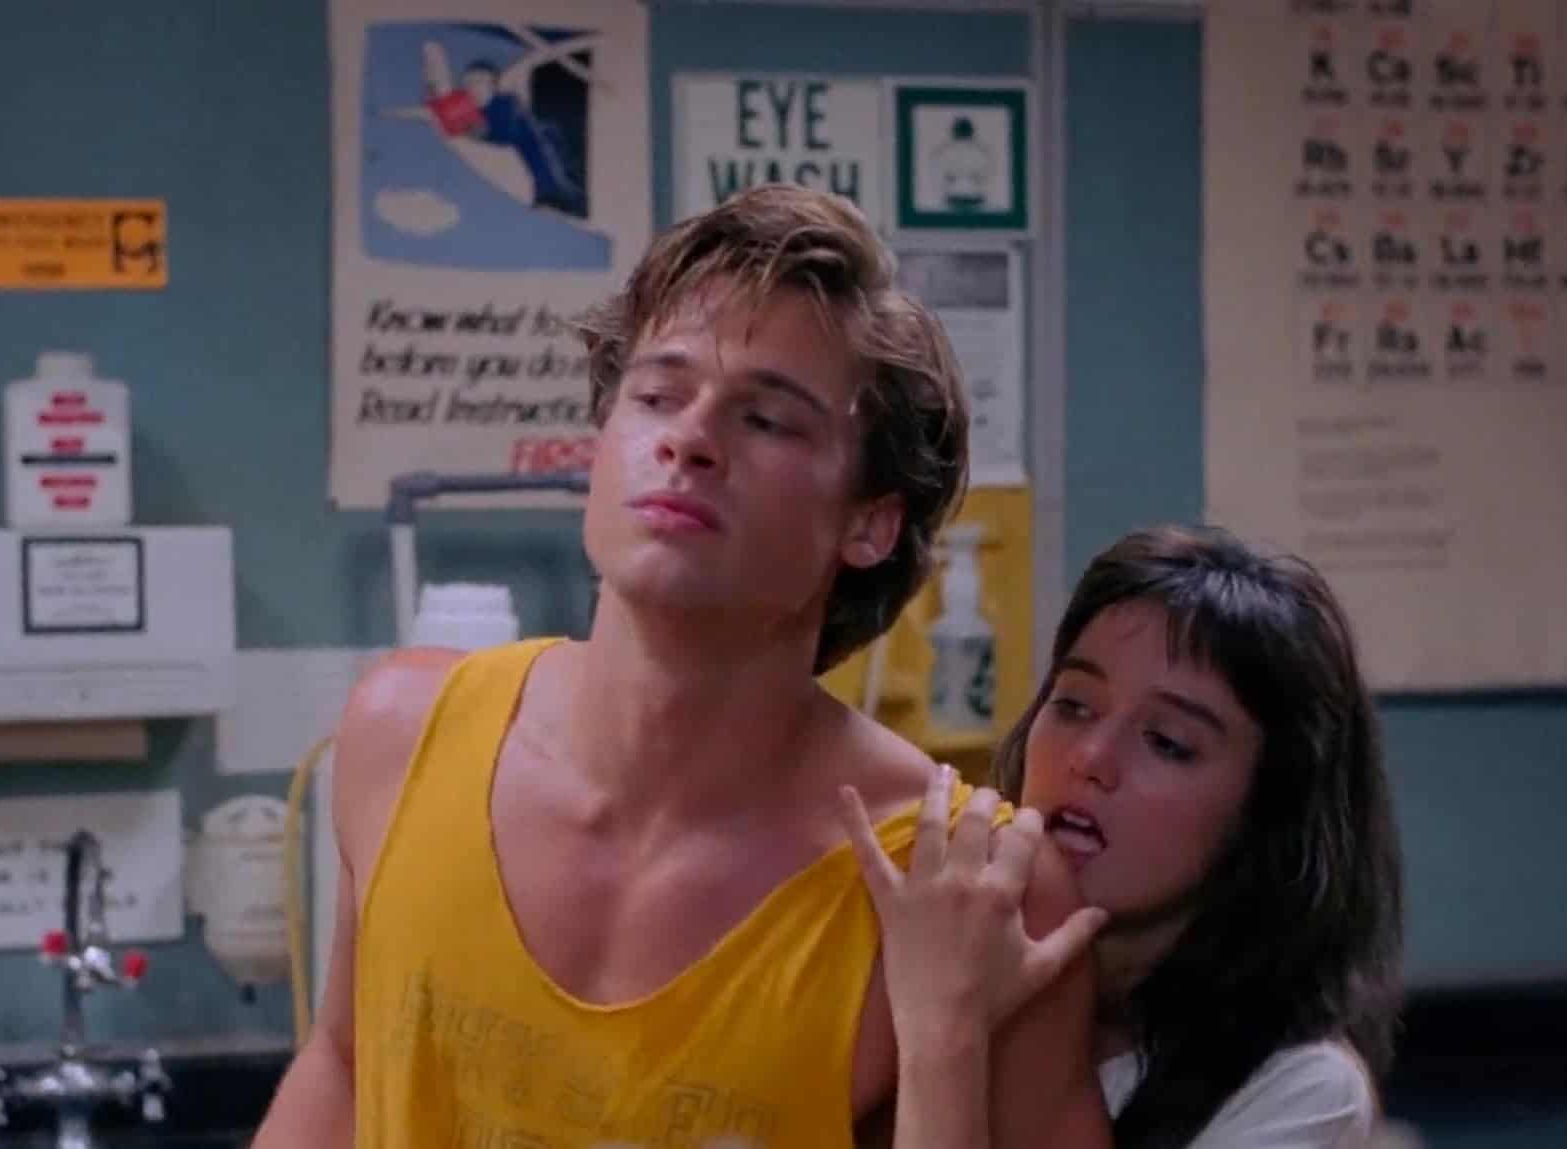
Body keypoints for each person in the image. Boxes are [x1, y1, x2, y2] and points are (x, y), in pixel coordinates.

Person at [252, 183, 1108, 1148]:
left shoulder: (970, 889)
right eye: (658, 395)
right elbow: (343, 1066)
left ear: (869, 523)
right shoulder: (402, 735)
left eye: (766, 419)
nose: (690, 439)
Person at [841, 524, 1407, 1148]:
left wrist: (942, 1033)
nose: (1090, 757)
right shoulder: (907, 941)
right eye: (1074, 705)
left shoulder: (1301, 1092)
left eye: (1166, 742)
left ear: (1267, 814)